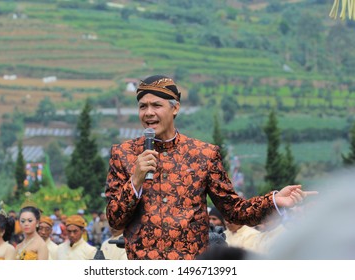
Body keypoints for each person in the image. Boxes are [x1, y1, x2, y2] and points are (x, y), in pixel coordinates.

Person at [105, 74, 317, 260]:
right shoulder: (123, 154)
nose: (148, 113)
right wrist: (136, 180)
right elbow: (115, 220)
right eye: (143, 106)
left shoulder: (203, 154)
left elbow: (234, 210)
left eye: (156, 105)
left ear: (175, 107)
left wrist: (274, 201)